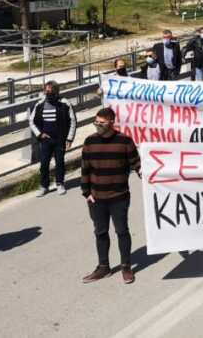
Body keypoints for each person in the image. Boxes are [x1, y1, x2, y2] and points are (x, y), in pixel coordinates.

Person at [81, 107, 140, 284]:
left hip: (119, 196)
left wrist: (145, 173)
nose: (97, 126)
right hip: (96, 198)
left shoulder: (125, 141)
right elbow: (85, 169)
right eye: (95, 122)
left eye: (101, 123)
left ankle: (126, 267)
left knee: (122, 231)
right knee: (100, 232)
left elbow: (136, 162)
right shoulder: (89, 141)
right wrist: (86, 193)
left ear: (111, 123)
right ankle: (103, 267)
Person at [28, 80, 77, 196]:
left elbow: (73, 121)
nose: (48, 92)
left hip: (60, 139)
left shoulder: (64, 103)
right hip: (45, 140)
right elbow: (31, 121)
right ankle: (44, 186)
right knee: (44, 163)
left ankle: (60, 183)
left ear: (56, 91)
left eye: (51, 90)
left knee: (60, 162)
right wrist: (39, 134)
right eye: (46, 90)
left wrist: (69, 139)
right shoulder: (39, 104)